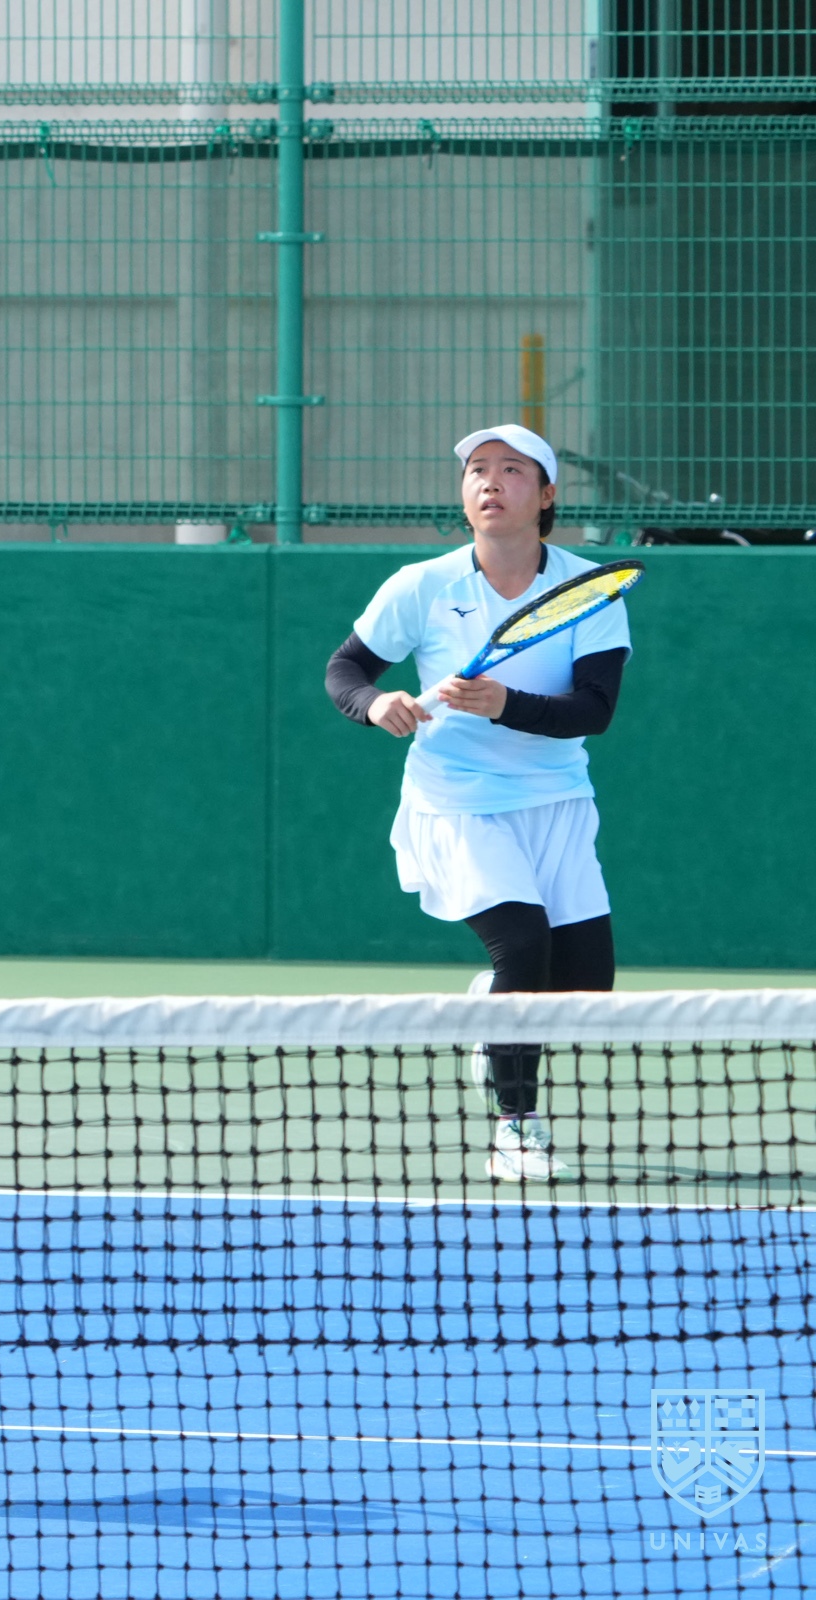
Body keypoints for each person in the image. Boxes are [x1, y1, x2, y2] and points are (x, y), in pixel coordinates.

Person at [324, 424, 631, 1185]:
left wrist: (504, 704)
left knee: (585, 986)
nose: (491, 481)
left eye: (513, 470)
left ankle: (490, 1007)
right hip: (456, 799)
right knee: (522, 946)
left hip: (556, 799)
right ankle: (515, 1128)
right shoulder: (422, 585)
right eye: (478, 470)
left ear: (547, 494)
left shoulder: (588, 588)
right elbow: (346, 669)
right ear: (464, 496)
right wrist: (374, 703)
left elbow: (594, 710)